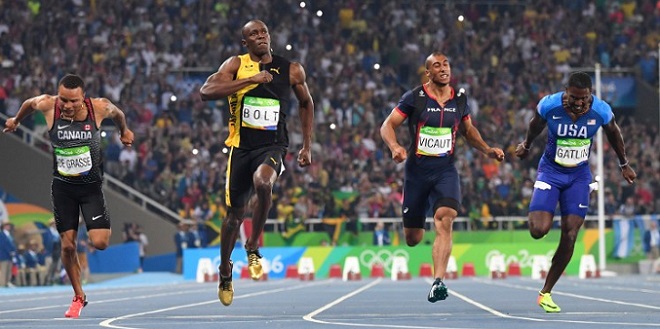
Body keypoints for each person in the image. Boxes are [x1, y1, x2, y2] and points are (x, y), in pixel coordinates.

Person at [199, 19, 314, 306]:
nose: (260, 36)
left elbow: (306, 103)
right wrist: (251, 80)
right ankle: (225, 270)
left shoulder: (291, 69)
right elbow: (206, 92)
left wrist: (307, 145)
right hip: (240, 148)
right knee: (232, 218)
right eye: (253, 34)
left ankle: (252, 244)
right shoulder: (235, 65)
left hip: (273, 145)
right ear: (245, 42)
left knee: (263, 182)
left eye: (263, 32)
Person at [3, 74, 134, 317]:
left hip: (91, 188)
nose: (67, 105)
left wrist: (124, 131)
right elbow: (29, 104)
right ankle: (78, 296)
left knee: (100, 243)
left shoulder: (99, 107)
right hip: (63, 188)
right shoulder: (48, 105)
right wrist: (15, 121)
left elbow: (119, 114)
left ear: (83, 98)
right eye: (63, 99)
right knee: (67, 245)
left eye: (73, 101)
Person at [380, 52, 504, 303]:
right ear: (428, 73)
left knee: (445, 219)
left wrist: (487, 149)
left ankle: (438, 282)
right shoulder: (414, 98)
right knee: (413, 238)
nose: (443, 68)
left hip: (445, 171)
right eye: (437, 65)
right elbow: (387, 125)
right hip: (416, 173)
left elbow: (469, 131)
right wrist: (395, 147)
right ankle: (423, 209)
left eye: (446, 63)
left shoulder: (459, 99)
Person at [515, 71, 636, 313]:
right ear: (566, 92)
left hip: (579, 177)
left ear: (590, 95)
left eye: (584, 98)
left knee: (570, 233)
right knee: (538, 230)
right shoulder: (549, 105)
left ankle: (545, 292)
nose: (580, 102)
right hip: (550, 172)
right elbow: (535, 125)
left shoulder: (600, 110)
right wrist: (526, 145)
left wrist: (624, 164)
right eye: (574, 97)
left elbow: (614, 132)